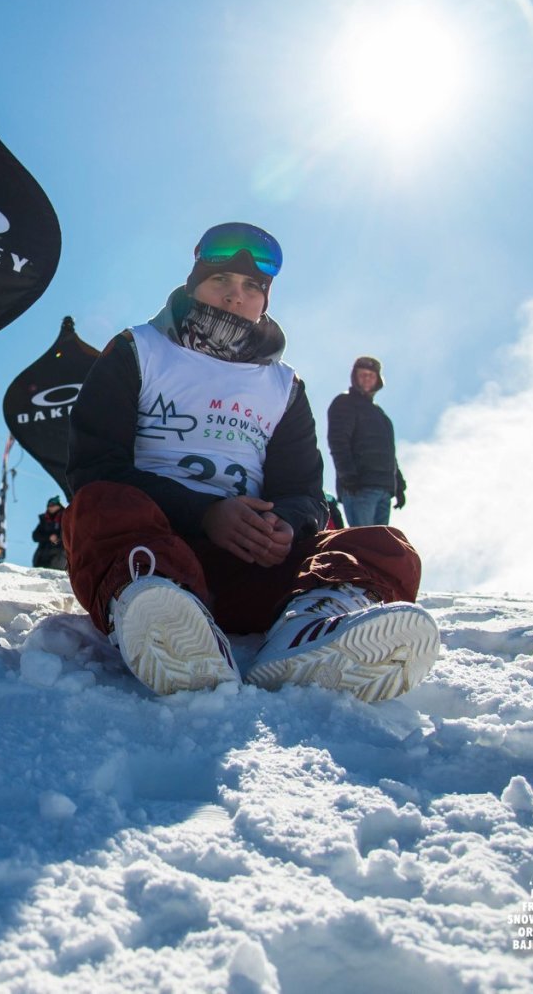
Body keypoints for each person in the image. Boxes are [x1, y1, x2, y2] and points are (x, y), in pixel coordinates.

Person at [62, 221, 439, 704]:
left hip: (249, 565)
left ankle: (309, 630)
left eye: (251, 287)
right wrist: (205, 514)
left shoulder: (283, 385)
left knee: (386, 546)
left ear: (266, 300)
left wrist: (284, 524)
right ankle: (159, 611)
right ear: (195, 282)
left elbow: (304, 488)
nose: (234, 296)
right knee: (100, 506)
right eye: (221, 280)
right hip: (155, 541)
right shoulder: (139, 350)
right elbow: (95, 465)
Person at [326, 356, 407, 527]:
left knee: (379, 548)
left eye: (371, 375)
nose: (367, 378)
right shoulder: (345, 403)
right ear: (354, 377)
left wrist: (398, 485)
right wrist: (348, 476)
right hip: (360, 488)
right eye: (362, 374)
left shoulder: (380, 415)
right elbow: (338, 441)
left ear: (378, 380)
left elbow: (389, 454)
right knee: (364, 544)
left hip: (384, 489)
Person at [31, 497, 68, 570]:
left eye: (52, 505)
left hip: (59, 556)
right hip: (42, 556)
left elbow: (69, 534)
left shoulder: (66, 517)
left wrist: (58, 538)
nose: (50, 507)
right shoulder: (44, 520)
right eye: (49, 506)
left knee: (54, 576)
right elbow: (35, 536)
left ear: (58, 506)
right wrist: (48, 537)